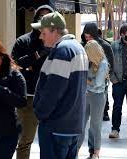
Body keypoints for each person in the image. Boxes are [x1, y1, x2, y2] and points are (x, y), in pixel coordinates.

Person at [31, 11, 88, 159]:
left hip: (56, 126)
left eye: (43, 32)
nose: (40, 36)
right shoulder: (77, 47)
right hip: (72, 125)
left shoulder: (63, 50)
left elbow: (53, 91)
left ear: (54, 31)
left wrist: (40, 113)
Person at [11, 5, 54, 159]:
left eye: (48, 17)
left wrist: (30, 63)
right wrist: (37, 54)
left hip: (51, 98)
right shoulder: (23, 41)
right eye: (41, 17)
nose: (44, 20)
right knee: (24, 141)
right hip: (28, 98)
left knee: (52, 141)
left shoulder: (57, 43)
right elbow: (15, 65)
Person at [77, 40, 109, 159]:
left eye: (87, 52)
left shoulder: (103, 63)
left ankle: (95, 152)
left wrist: (85, 80)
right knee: (81, 123)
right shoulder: (88, 62)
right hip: (86, 95)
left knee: (95, 125)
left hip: (98, 97)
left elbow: (98, 83)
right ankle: (76, 149)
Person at [81, 23, 114, 122]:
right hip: (86, 87)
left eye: (90, 36)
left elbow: (110, 65)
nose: (88, 39)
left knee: (96, 121)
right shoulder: (82, 45)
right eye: (86, 36)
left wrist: (104, 77)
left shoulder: (105, 45)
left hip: (100, 85)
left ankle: (105, 112)